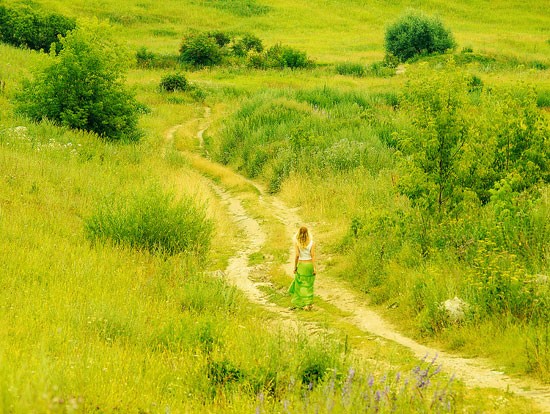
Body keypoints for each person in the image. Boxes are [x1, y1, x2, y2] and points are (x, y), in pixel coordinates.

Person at [288, 226, 316, 310]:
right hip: (309, 264)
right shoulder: (312, 243)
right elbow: (313, 255)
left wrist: (295, 267)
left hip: (301, 265)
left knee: (299, 284)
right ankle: (308, 304)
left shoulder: (297, 243)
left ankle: (300, 303)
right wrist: (314, 267)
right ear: (307, 233)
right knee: (309, 284)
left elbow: (297, 255)